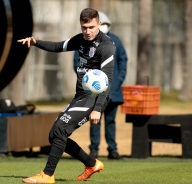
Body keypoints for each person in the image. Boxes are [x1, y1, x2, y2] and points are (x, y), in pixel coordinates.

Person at [18, 8, 115, 183]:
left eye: (91, 27)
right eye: (84, 27)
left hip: (93, 99)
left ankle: (47, 175)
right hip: (80, 97)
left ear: (99, 24)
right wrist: (35, 42)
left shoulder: (106, 46)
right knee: (54, 135)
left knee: (60, 130)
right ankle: (91, 164)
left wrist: (98, 109)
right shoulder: (81, 39)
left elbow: (107, 80)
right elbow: (57, 46)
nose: (87, 31)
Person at [73, 11, 127, 160]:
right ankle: (94, 151)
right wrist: (86, 81)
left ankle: (113, 149)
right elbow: (77, 61)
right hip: (92, 92)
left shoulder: (114, 40)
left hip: (113, 92)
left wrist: (117, 81)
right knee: (94, 120)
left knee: (111, 120)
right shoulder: (84, 41)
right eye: (86, 27)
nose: (89, 31)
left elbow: (123, 60)